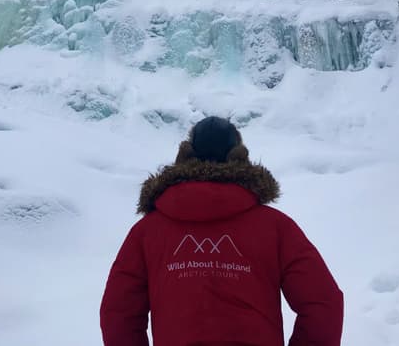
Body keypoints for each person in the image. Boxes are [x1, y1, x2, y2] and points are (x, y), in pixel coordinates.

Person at [100, 116, 343, 346]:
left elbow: (119, 314)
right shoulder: (277, 227)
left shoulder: (146, 232)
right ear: (239, 158)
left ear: (185, 157)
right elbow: (323, 304)